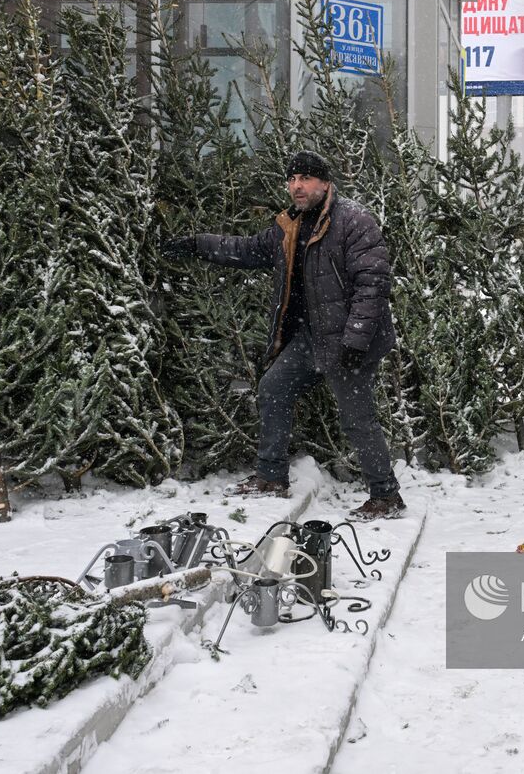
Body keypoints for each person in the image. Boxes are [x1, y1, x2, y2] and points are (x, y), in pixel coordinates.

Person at [160, 150, 405, 521]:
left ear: (325, 182)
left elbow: (372, 283)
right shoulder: (289, 225)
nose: (297, 186)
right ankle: (271, 477)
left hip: (348, 341)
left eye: (305, 178)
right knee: (273, 387)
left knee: (357, 418)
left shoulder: (354, 220)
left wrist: (355, 340)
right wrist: (197, 244)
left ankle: (385, 496)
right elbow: (247, 249)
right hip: (311, 337)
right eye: (292, 179)